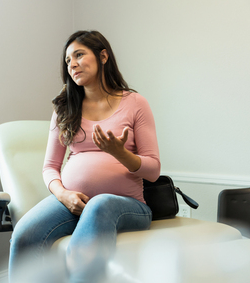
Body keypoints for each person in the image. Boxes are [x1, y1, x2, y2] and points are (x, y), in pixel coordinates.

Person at [8, 31, 160, 282]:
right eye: (68, 61)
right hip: (72, 202)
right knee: (25, 233)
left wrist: (120, 154)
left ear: (103, 56)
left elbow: (153, 169)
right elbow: (50, 167)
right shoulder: (65, 109)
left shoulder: (135, 103)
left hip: (127, 205)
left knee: (100, 204)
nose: (72, 64)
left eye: (79, 55)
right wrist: (63, 195)